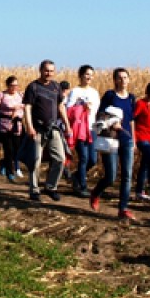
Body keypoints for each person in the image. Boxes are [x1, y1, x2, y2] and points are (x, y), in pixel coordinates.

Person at [90, 68, 137, 220]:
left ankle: (123, 208)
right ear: (115, 80)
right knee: (111, 176)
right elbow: (100, 114)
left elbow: (131, 120)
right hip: (111, 138)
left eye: (125, 77)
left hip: (127, 139)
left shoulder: (131, 98)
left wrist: (134, 140)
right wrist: (113, 122)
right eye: (119, 78)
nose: (123, 80)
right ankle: (96, 193)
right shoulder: (110, 95)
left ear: (129, 79)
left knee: (127, 175)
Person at [23, 60, 70, 202]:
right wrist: (29, 127)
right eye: (46, 70)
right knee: (35, 160)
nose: (48, 73)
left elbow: (61, 106)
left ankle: (51, 186)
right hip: (37, 129)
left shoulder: (56, 86)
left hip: (54, 128)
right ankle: (34, 190)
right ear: (40, 70)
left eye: (51, 71)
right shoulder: (33, 87)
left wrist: (67, 125)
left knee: (60, 158)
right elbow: (27, 108)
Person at [65, 65, 100, 198]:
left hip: (92, 128)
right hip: (80, 129)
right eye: (86, 74)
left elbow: (96, 111)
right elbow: (69, 109)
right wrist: (81, 106)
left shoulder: (94, 92)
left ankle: (76, 175)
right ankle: (82, 186)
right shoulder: (75, 91)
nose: (89, 77)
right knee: (84, 157)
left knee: (93, 159)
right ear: (80, 75)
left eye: (91, 74)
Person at [0, 76, 25, 182]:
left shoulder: (21, 95)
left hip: (17, 126)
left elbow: (27, 107)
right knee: (8, 149)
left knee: (18, 149)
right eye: (12, 85)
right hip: (4, 126)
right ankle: (10, 172)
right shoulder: (1, 95)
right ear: (8, 85)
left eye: (16, 85)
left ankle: (3, 163)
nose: (14, 87)